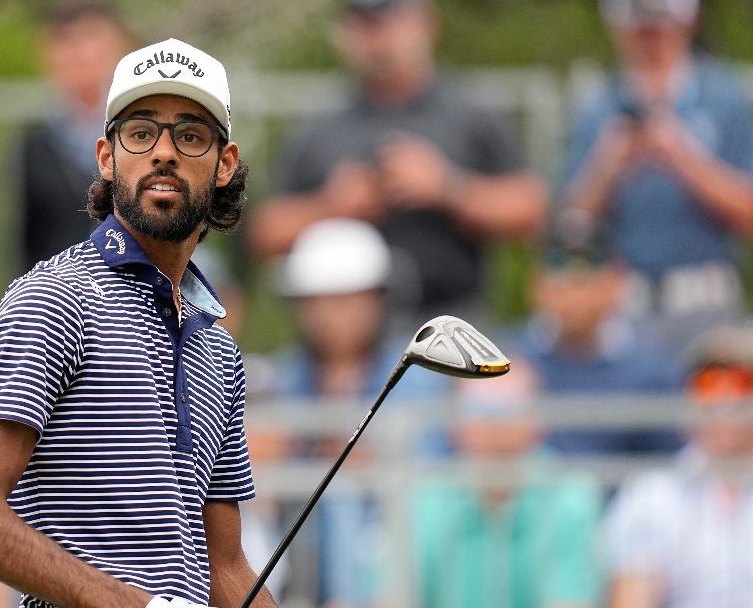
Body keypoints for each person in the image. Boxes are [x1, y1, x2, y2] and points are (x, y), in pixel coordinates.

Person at [0, 38, 276, 608]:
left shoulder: (219, 348)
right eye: (140, 133)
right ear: (106, 156)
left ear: (224, 164)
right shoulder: (54, 298)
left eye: (190, 136)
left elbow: (225, 567)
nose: (163, 152)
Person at [248, 0, 545, 324]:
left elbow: (531, 209)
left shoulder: (469, 115)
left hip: (451, 319)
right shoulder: (318, 128)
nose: (376, 40)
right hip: (348, 337)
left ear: (426, 24)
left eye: (388, 22)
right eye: (364, 26)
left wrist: (448, 189)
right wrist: (332, 207)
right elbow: (265, 232)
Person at [257, 217, 449, 606]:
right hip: (303, 572)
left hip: (405, 575)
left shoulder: (419, 377)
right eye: (317, 301)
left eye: (346, 300)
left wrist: (369, 461)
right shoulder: (283, 380)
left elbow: (433, 478)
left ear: (378, 300)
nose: (332, 315)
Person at [556, 0, 753, 354]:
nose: (650, 40)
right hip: (623, 306)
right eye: (640, 29)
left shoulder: (725, 99)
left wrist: (683, 158)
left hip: (707, 303)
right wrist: (606, 167)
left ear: (687, 24)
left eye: (659, 28)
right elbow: (568, 225)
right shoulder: (598, 106)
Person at [409, 363, 603, 608]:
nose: (496, 427)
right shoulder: (424, 501)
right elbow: (391, 598)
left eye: (511, 411)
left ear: (539, 423)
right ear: (454, 426)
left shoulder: (571, 498)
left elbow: (571, 601)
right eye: (481, 411)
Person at [600, 329, 753, 608]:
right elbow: (632, 596)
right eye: (709, 386)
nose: (724, 402)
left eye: (740, 385)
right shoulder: (651, 495)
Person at [518, 243, 684, 456]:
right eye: (562, 283)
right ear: (537, 288)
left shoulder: (651, 369)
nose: (577, 297)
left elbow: (669, 457)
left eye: (589, 283)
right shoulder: (508, 362)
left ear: (616, 285)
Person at [16, 0, 133, 269]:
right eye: (66, 41)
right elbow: (25, 245)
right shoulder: (34, 148)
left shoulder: (144, 132)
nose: (81, 53)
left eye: (91, 37)